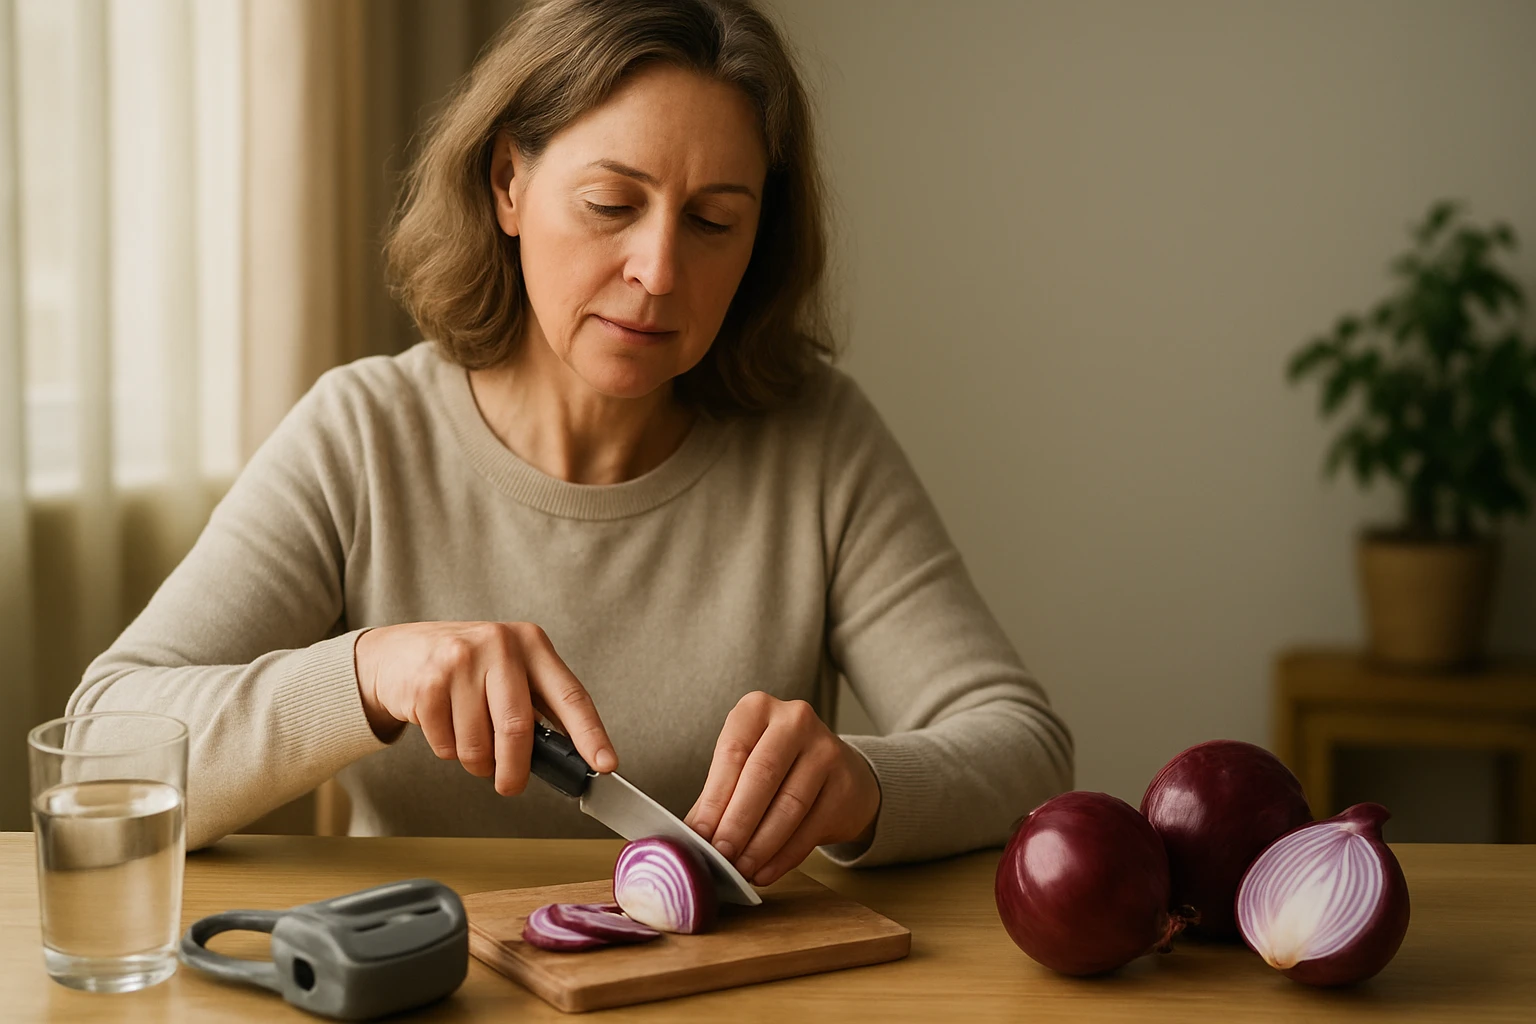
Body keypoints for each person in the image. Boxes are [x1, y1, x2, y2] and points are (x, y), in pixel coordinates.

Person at [68, 0, 1072, 886]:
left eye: (716, 222)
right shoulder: (363, 434)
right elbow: (99, 752)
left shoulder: (820, 441)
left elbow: (1025, 748)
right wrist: (372, 672)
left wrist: (862, 784)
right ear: (508, 182)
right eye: (611, 206)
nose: (659, 270)